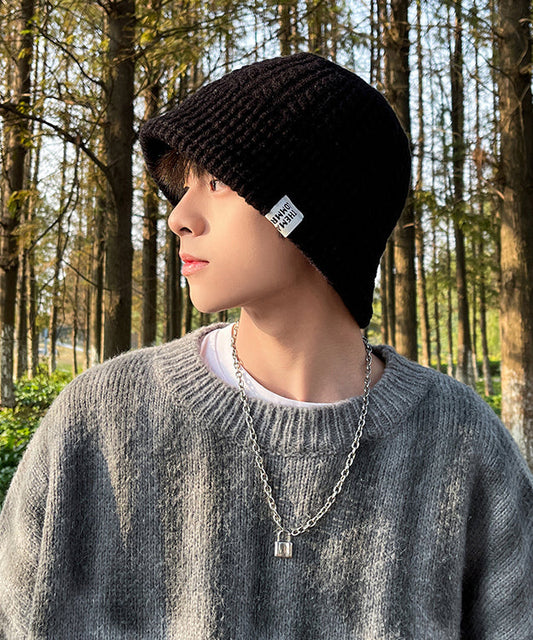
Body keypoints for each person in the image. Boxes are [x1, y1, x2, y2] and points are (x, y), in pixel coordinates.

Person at [0, 52, 532, 639]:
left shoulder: (462, 446)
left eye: (217, 182)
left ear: (307, 211)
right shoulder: (99, 426)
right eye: (184, 186)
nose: (179, 216)